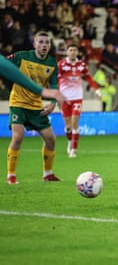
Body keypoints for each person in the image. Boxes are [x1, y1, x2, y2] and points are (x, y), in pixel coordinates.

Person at [6, 31, 65, 185]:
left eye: (47, 42)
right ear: (34, 44)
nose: (44, 45)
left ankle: (48, 174)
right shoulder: (22, 56)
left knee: (51, 139)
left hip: (36, 106)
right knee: (18, 137)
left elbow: (53, 85)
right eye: (41, 42)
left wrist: (52, 103)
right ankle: (11, 175)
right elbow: (5, 65)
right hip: (18, 103)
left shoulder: (52, 63)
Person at [58, 44, 101, 158]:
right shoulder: (61, 64)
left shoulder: (82, 65)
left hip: (77, 98)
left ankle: (74, 150)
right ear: (67, 52)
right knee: (68, 127)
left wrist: (97, 90)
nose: (72, 52)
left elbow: (89, 78)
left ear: (77, 53)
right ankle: (69, 142)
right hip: (64, 99)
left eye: (74, 50)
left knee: (74, 123)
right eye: (70, 50)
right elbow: (56, 80)